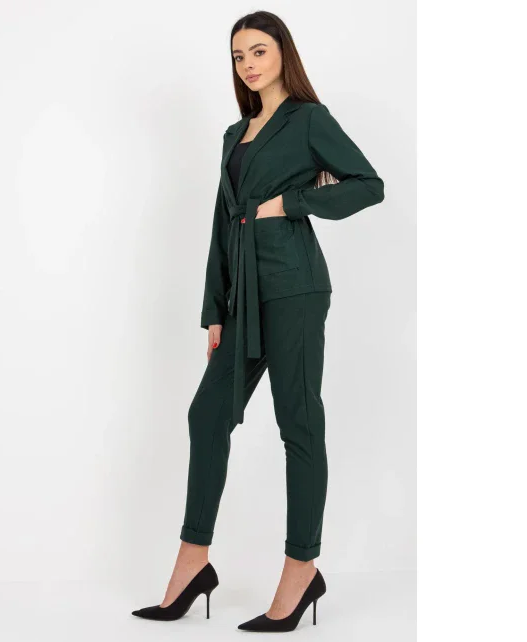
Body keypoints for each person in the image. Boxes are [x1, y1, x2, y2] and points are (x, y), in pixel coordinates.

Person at [132, 10, 384, 633]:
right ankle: (193, 562)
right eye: (239, 55)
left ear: (282, 54)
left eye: (259, 51)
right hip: (243, 298)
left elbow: (368, 184)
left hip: (295, 287)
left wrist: (291, 203)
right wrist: (215, 311)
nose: (248, 63)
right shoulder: (233, 135)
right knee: (207, 415)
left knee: (298, 424)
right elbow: (222, 224)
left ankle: (301, 569)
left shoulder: (309, 120)